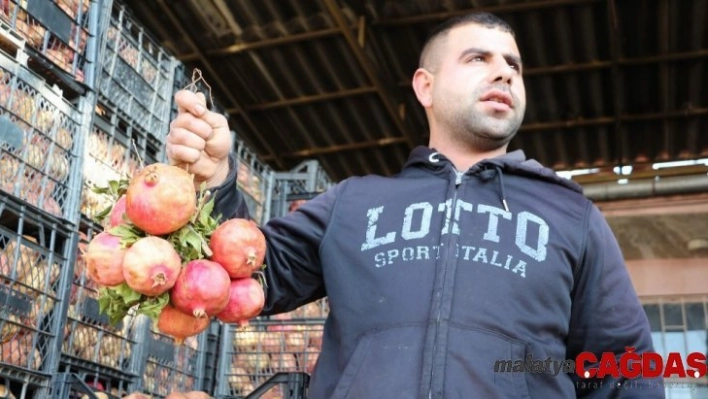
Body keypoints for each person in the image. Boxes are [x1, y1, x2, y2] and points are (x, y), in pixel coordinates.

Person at [165, 12, 664, 399]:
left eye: (513, 65)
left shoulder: (570, 216)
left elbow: (625, 366)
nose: (504, 74)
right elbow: (247, 276)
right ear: (424, 86)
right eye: (478, 59)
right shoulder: (355, 202)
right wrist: (215, 180)